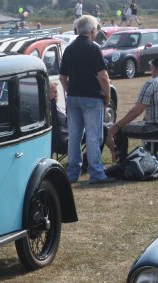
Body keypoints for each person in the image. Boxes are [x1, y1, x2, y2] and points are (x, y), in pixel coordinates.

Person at [59, 15, 112, 184]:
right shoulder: (94, 48)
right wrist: (107, 96)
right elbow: (103, 76)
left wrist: (69, 92)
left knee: (74, 137)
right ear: (92, 31)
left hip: (73, 97)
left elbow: (62, 77)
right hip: (92, 98)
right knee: (93, 136)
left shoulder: (69, 48)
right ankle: (96, 173)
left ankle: (72, 173)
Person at [107, 57, 158, 163]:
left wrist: (117, 125)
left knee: (121, 129)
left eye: (151, 67)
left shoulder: (151, 84)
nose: (150, 70)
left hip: (154, 128)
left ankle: (121, 161)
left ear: (156, 69)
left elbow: (137, 110)